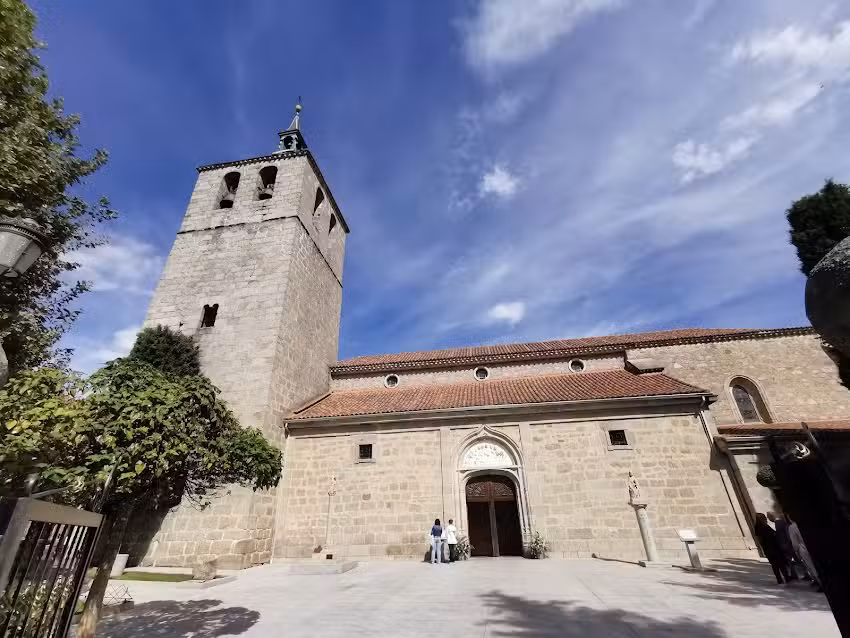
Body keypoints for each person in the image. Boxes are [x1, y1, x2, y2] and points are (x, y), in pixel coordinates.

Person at [754, 512, 792, 584]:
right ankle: (786, 577)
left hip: (768, 549)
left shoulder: (757, 527)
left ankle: (779, 579)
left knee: (774, 565)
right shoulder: (765, 527)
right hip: (774, 547)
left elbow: (760, 539)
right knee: (781, 563)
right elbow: (773, 535)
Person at [787, 516, 822, 592]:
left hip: (803, 549)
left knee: (811, 566)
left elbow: (795, 542)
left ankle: (820, 583)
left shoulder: (792, 527)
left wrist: (796, 552)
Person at [767, 512, 798, 581]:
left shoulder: (779, 523)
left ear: (772, 516)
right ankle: (794, 574)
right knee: (789, 560)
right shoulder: (777, 523)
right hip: (783, 544)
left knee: (790, 560)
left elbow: (785, 533)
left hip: (785, 544)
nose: (768, 519)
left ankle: (795, 574)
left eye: (769, 517)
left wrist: (788, 542)